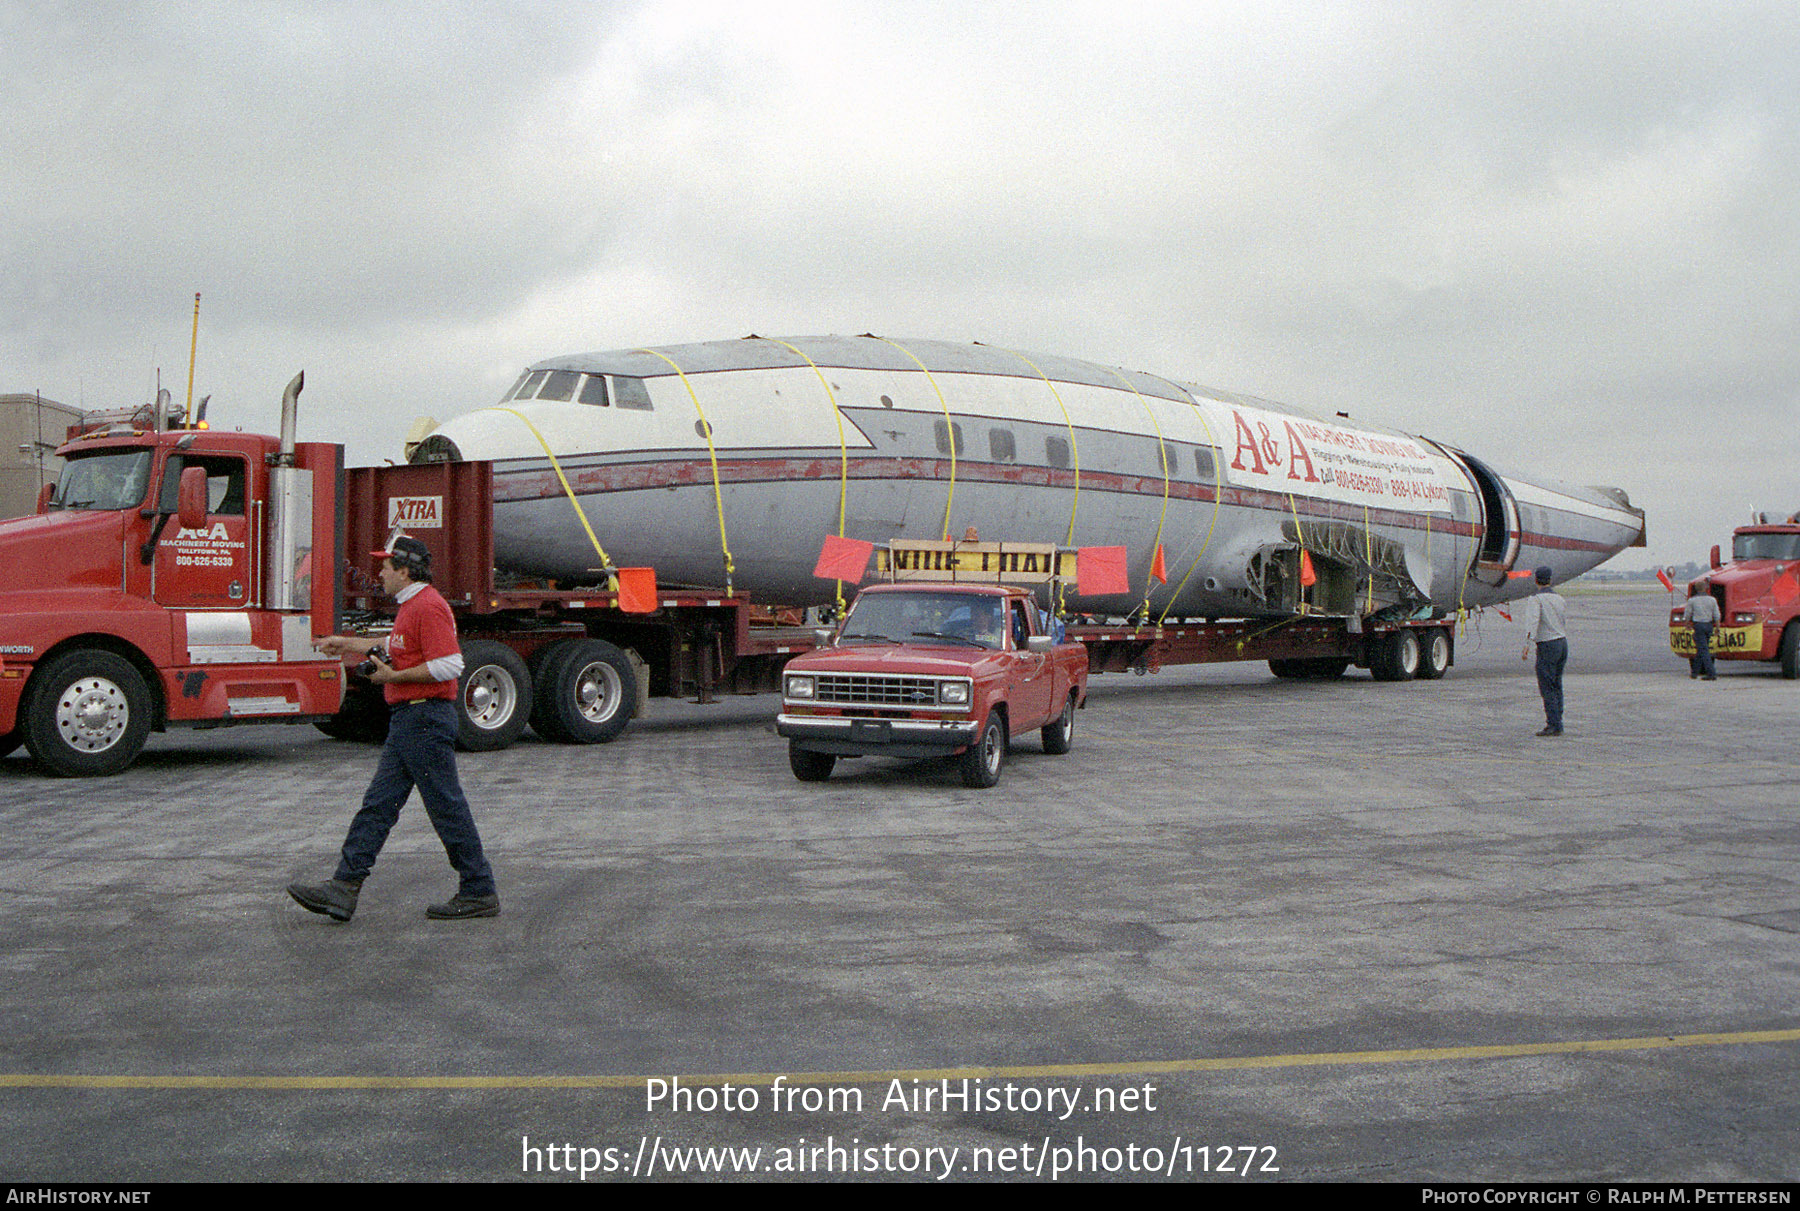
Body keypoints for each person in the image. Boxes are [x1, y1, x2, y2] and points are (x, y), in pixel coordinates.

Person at [287, 535, 499, 922]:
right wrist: (347, 644)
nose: (379, 573)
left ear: (404, 571)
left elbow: (451, 664)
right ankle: (343, 889)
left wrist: (394, 677)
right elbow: (397, 642)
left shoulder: (428, 606)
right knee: (379, 806)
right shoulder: (412, 606)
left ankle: (479, 889)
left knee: (444, 807)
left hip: (424, 720)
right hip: (411, 721)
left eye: (386, 566)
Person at [1519, 566, 1568, 737]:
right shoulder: (1560, 599)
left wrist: (1527, 644)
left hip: (1547, 644)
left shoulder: (1536, 599)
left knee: (1546, 685)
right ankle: (1558, 720)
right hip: (1562, 642)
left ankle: (1553, 724)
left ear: (1536, 580)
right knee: (1557, 684)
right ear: (1550, 579)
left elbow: (1533, 622)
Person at [1681, 585, 1721, 680]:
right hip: (1709, 625)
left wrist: (1687, 624)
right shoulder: (1712, 600)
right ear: (1706, 588)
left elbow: (1687, 614)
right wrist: (1717, 627)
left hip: (1699, 625)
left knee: (1703, 650)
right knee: (1702, 648)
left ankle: (1711, 673)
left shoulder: (1692, 601)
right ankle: (1694, 672)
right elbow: (1716, 615)